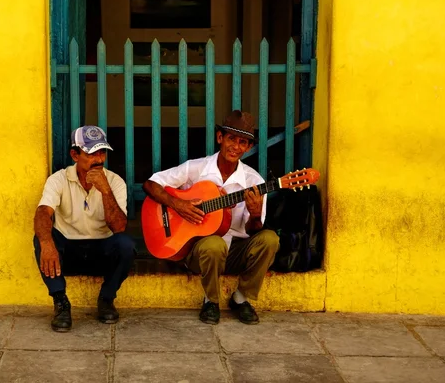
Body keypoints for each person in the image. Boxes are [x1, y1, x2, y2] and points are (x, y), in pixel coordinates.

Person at [143, 110, 279, 325]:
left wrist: (254, 214)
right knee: (213, 244)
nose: (235, 147)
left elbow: (253, 231)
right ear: (220, 138)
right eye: (231, 139)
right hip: (199, 252)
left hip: (234, 252)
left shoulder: (254, 181)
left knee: (270, 239)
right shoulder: (195, 168)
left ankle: (241, 298)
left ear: (248, 147)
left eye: (242, 142)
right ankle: (211, 301)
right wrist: (179, 204)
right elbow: (151, 184)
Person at [33, 125, 135, 332]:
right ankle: (61, 302)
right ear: (75, 155)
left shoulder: (115, 182)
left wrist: (105, 190)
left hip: (102, 251)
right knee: (42, 237)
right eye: (90, 153)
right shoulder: (58, 179)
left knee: (126, 245)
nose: (98, 159)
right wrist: (46, 243)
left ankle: (106, 299)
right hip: (69, 251)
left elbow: (119, 227)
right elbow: (43, 212)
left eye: (102, 152)